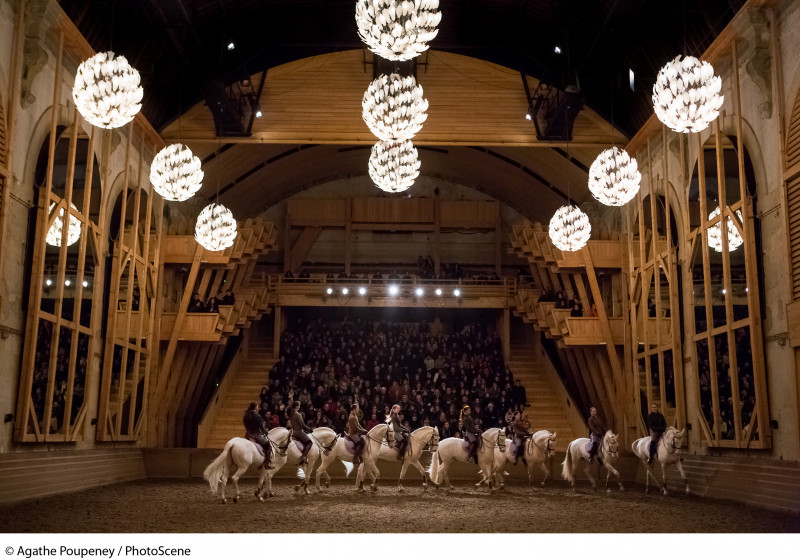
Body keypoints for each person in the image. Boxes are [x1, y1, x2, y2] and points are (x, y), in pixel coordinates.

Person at [243, 402, 272, 469]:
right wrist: (267, 433)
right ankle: (267, 464)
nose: (258, 407)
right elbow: (262, 428)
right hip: (256, 435)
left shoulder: (246, 415)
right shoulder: (258, 416)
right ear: (256, 407)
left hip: (248, 435)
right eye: (257, 406)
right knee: (269, 447)